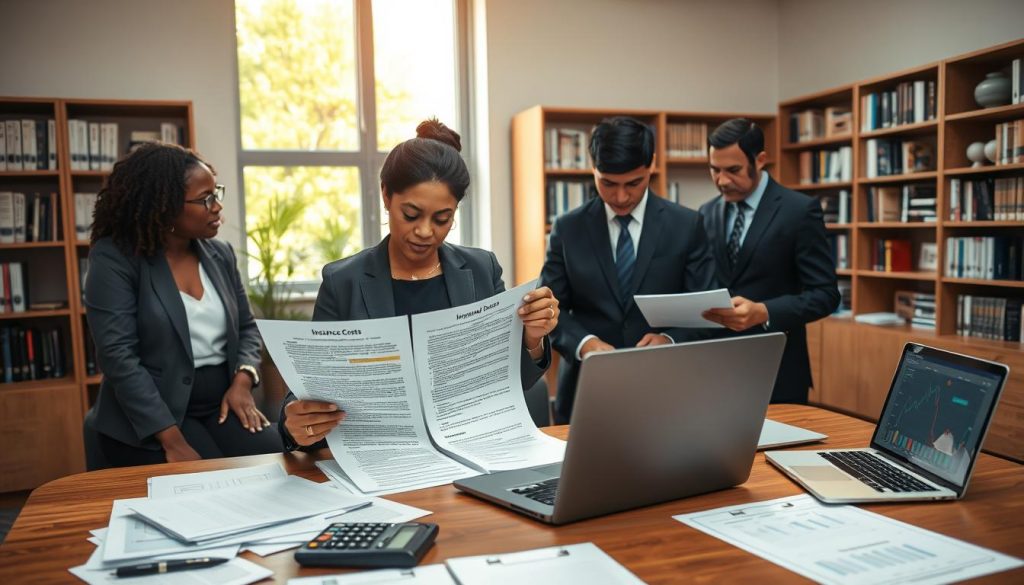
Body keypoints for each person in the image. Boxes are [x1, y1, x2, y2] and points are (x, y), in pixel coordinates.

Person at [279, 119, 558, 450]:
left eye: (442, 219)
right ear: (386, 195)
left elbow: (512, 382)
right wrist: (296, 424)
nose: (426, 231)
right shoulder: (344, 281)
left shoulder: (481, 269)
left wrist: (532, 339)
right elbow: (307, 394)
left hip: (467, 447)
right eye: (411, 214)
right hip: (384, 451)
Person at [84, 143, 282, 468]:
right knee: (214, 479)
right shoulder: (115, 259)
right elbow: (118, 358)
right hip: (154, 415)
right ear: (162, 207)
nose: (217, 206)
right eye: (205, 199)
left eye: (215, 193)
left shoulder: (220, 255)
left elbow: (246, 327)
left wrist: (243, 381)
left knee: (282, 461)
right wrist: (171, 439)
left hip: (221, 402)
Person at [541, 116, 716, 424]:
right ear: (592, 168)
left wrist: (669, 339)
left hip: (668, 389)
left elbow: (707, 310)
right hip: (586, 390)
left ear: (651, 165)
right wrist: (585, 344)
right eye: (607, 183)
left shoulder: (686, 225)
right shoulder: (568, 228)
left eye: (634, 183)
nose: (621, 197)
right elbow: (551, 311)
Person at [698, 118, 840, 404]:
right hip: (714, 372)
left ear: (760, 160)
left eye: (733, 170)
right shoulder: (706, 211)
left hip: (777, 372)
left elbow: (826, 295)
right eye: (715, 170)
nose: (722, 181)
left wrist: (764, 311)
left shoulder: (799, 211)